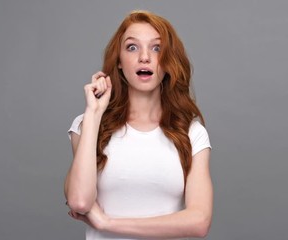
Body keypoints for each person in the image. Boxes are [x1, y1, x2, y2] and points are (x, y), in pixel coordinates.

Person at [64, 10, 213, 239]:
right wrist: (94, 113)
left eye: (156, 48)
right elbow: (79, 201)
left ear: (167, 62)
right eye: (132, 47)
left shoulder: (191, 133)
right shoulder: (88, 125)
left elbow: (199, 221)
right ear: (120, 62)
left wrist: (107, 223)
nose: (145, 57)